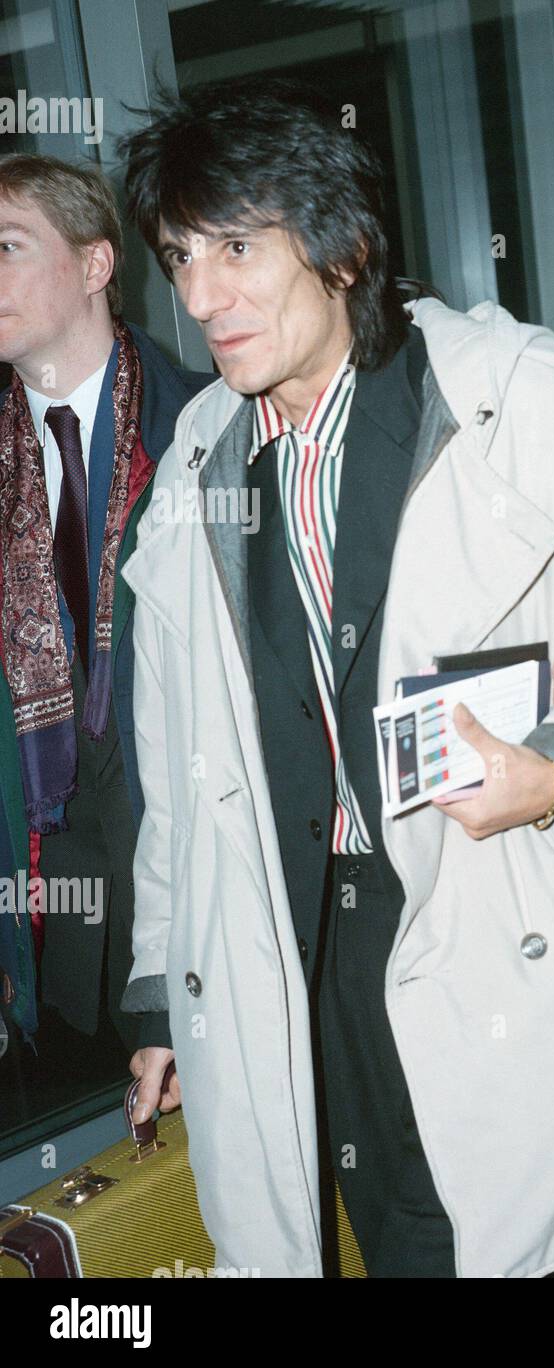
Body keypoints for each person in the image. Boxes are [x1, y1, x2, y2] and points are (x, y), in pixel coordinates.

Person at [117, 78, 554, 1278]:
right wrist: (164, 996)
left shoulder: (511, 399)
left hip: (487, 894)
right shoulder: (198, 464)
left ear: (342, 247)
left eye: (238, 247)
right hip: (291, 926)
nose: (201, 297)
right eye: (180, 257)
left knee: (514, 1225)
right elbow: (175, 775)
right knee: (383, 1214)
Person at [0, 154, 208, 1063]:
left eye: (6, 246)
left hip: (183, 906)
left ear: (94, 266)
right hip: (37, 925)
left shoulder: (205, 434)